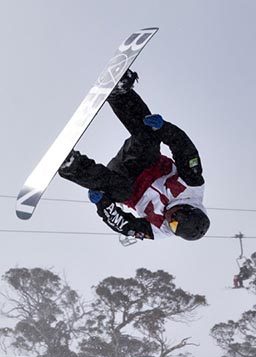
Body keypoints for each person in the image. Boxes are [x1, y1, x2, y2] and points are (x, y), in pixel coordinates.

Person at [58, 70, 210, 241]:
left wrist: (104, 205)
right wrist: (164, 129)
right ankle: (120, 94)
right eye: (175, 221)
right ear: (187, 209)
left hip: (123, 181)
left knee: (121, 191)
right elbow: (185, 149)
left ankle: (71, 166)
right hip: (141, 160)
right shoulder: (193, 185)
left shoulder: (159, 230)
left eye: (173, 227)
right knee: (149, 138)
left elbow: (124, 225)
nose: (170, 221)